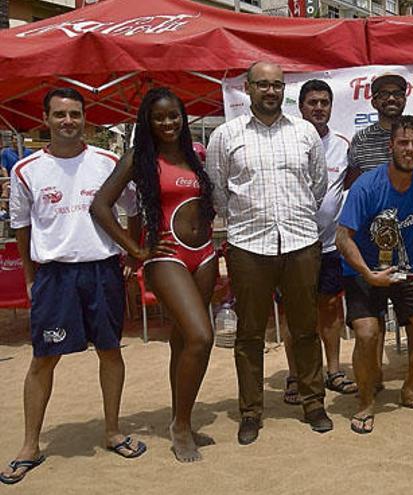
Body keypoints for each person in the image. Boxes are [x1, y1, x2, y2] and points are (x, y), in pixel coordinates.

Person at [1, 88, 146, 485]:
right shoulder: (25, 170)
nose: (68, 121)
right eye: (60, 114)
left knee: (110, 350)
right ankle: (30, 444)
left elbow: (132, 210)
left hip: (102, 271)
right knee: (43, 359)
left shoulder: (107, 161)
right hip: (55, 276)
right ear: (45, 119)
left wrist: (131, 256)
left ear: (86, 119)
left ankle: (113, 430)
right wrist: (31, 278)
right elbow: (21, 229)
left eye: (75, 114)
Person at [206, 61, 332, 445]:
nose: (270, 91)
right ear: (247, 88)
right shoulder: (226, 136)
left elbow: (318, 186)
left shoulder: (305, 133)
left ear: (284, 89)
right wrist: (249, 218)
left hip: (300, 242)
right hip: (248, 246)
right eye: (262, 84)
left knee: (306, 328)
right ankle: (251, 411)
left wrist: (292, 215)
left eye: (276, 85)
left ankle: (313, 403)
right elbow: (218, 192)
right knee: (249, 334)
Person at [90, 87, 217, 462]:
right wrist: (136, 249)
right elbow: (100, 205)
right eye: (159, 117)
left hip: (205, 254)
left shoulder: (195, 155)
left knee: (184, 340)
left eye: (174, 116)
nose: (167, 123)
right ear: (147, 121)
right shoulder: (139, 158)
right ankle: (179, 426)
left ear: (183, 118)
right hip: (167, 255)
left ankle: (184, 418)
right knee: (201, 335)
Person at [336, 115, 413, 434]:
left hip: (405, 268)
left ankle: (410, 390)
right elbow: (342, 237)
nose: (410, 149)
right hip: (364, 270)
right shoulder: (367, 185)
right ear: (391, 146)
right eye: (403, 143)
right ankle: (365, 403)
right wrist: (368, 274)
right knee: (367, 334)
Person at [347, 73, 413, 391]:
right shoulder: (361, 140)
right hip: (370, 246)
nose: (391, 98)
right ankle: (372, 378)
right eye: (384, 94)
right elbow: (355, 185)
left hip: (412, 243)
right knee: (370, 325)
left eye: (398, 93)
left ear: (405, 97)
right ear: (374, 100)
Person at [282, 79, 358, 406]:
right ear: (301, 107)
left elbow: (349, 185)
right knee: (293, 312)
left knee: (329, 308)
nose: (318, 108)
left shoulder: (343, 144)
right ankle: (296, 374)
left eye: (324, 103)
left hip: (328, 246)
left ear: (330, 107)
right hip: (291, 245)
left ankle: (334, 370)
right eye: (312, 102)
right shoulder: (286, 140)